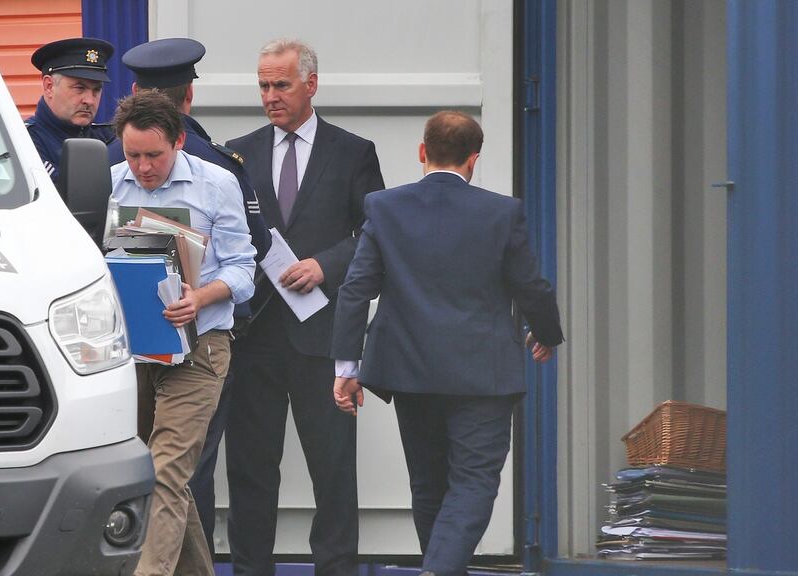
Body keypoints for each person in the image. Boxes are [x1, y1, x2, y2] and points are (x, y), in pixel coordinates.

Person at [330, 111, 564, 576]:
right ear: (474, 159)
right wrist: (547, 332)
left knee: (428, 484)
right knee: (474, 482)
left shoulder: (384, 207)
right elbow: (530, 286)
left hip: (409, 369)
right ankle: (439, 570)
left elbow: (356, 287)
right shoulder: (502, 212)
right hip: (484, 374)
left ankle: (439, 566)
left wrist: (345, 366)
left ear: (422, 152)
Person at [224, 38, 384, 576]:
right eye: (264, 85)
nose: (271, 95)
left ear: (310, 84)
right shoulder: (236, 154)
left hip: (323, 336)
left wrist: (326, 265)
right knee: (250, 470)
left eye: (282, 84)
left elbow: (374, 236)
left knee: (333, 469)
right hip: (256, 337)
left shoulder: (353, 152)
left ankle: (336, 569)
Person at [113, 36, 273, 557]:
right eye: (133, 155)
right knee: (150, 478)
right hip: (132, 355)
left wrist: (201, 296)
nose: (143, 168)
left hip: (200, 348)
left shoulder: (217, 182)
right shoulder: (109, 184)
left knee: (165, 472)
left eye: (153, 155)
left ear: (179, 141)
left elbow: (245, 269)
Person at [25, 37, 115, 182]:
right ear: (49, 86)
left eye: (96, 90)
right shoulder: (24, 142)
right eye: (79, 88)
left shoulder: (109, 138)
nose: (90, 100)